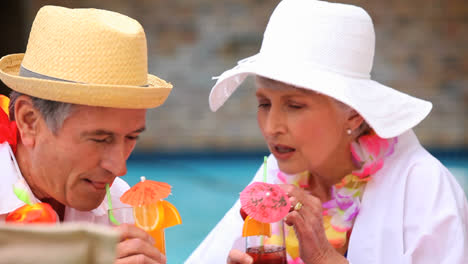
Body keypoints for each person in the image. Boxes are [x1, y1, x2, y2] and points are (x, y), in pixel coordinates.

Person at [186, 0, 468, 263]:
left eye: (295, 106)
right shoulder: (273, 177)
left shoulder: (422, 186)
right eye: (264, 103)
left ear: (355, 115)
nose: (271, 127)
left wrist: (323, 257)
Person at [0, 5, 172, 264]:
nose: (120, 167)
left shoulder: (120, 202)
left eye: (131, 137)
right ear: (29, 121)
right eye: (100, 139)